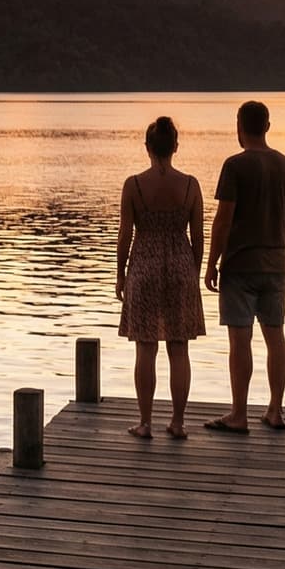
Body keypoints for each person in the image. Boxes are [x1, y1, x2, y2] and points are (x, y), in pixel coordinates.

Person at [205, 100, 285, 433]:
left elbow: (223, 220)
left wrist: (212, 262)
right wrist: (284, 258)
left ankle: (239, 414)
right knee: (276, 336)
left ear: (239, 127)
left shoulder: (235, 166)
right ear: (268, 126)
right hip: (276, 262)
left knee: (240, 340)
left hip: (241, 265)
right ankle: (275, 410)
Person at [116, 115, 206, 440]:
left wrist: (120, 274)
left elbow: (125, 234)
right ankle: (178, 423)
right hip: (181, 264)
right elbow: (198, 237)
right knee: (179, 348)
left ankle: (145, 422)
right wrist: (193, 271)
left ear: (147, 147)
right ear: (176, 147)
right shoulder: (191, 185)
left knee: (146, 346)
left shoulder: (134, 185)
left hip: (144, 265)